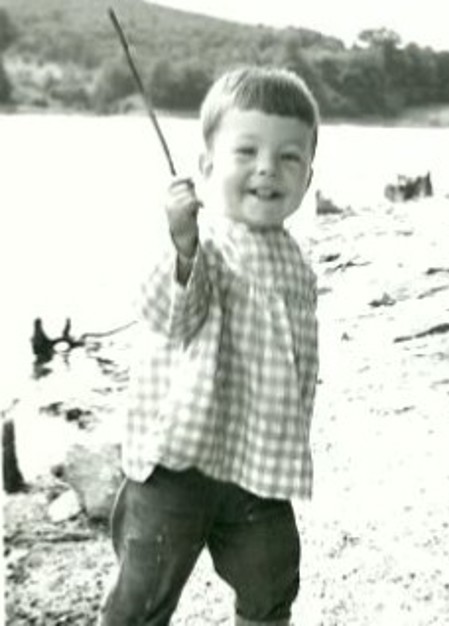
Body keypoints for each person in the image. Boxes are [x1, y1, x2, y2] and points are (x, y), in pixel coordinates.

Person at [99, 65, 320, 626]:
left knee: (273, 581)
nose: (268, 168)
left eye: (288, 156)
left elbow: (298, 364)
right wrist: (182, 245)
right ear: (205, 168)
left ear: (308, 177)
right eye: (246, 152)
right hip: (179, 462)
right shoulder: (206, 240)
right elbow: (168, 313)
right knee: (143, 592)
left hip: (258, 465)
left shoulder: (295, 259)